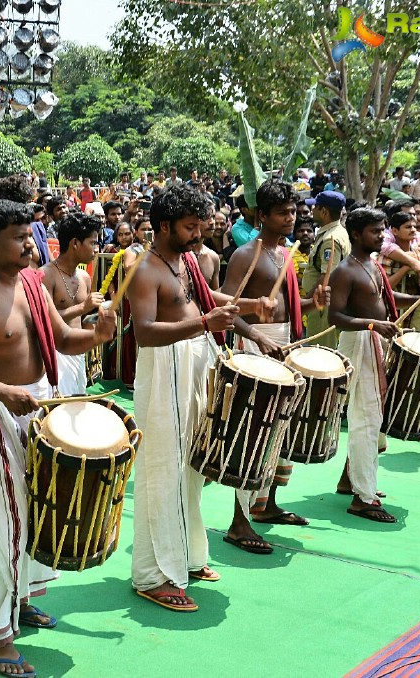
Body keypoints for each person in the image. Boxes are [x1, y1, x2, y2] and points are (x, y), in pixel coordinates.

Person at [0, 199, 116, 676]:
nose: (30, 244)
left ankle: (19, 601)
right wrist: (1, 390)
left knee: (34, 507)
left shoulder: (31, 285)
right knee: (0, 519)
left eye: (30, 235)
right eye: (19, 237)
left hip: (36, 403)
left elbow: (62, 340)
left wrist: (98, 336)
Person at [127, 184, 267, 612]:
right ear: (164, 225)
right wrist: (207, 323)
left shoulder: (185, 259)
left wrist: (249, 306)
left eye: (201, 225)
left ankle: (185, 556)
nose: (199, 234)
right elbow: (145, 332)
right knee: (163, 468)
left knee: (192, 464)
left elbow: (201, 301)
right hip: (165, 364)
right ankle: (154, 574)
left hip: (194, 358)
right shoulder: (144, 270)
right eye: (191, 227)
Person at [221, 180, 329, 554]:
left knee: (279, 427)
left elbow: (287, 303)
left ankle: (265, 505)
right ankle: (239, 521)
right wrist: (258, 335)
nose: (291, 217)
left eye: (294, 211)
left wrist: (312, 303)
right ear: (261, 215)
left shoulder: (285, 254)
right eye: (282, 212)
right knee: (251, 429)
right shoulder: (245, 254)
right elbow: (229, 310)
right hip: (255, 343)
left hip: (281, 340)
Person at [329, 208, 420, 522]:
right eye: (375, 231)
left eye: (381, 230)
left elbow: (381, 299)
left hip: (372, 339)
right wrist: (374, 326)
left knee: (370, 418)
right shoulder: (345, 270)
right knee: (366, 418)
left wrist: (419, 299)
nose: (381, 236)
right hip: (359, 342)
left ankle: (358, 483)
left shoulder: (372, 265)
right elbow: (336, 317)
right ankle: (363, 497)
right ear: (357, 234)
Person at [41, 211, 104, 395]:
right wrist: (82, 307)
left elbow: (85, 318)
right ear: (75, 243)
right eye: (92, 243)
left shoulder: (84, 277)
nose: (96, 249)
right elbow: (43, 320)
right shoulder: (46, 275)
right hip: (55, 355)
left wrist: (95, 330)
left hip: (78, 355)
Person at [301, 190, 350, 347]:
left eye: (315, 207)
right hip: (325, 303)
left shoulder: (331, 239)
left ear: (324, 211)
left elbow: (327, 276)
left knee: (319, 350)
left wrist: (307, 302)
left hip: (322, 305)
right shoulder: (336, 232)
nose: (312, 210)